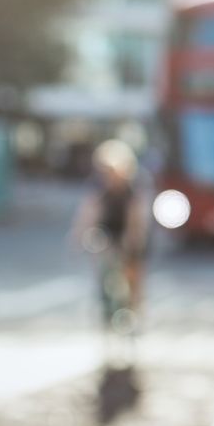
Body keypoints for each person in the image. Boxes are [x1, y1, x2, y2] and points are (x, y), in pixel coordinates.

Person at [71, 139, 150, 327]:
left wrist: (132, 241)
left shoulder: (135, 185)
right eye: (105, 172)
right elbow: (88, 212)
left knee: (132, 267)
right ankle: (105, 302)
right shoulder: (97, 185)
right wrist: (78, 237)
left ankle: (134, 308)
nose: (109, 177)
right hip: (108, 227)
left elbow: (136, 220)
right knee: (102, 260)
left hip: (129, 226)